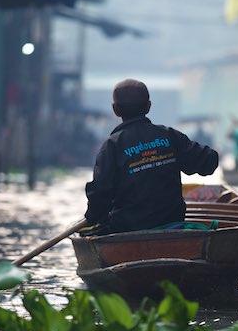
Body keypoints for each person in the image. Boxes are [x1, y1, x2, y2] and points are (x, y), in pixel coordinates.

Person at [83, 78, 219, 234]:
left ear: (116, 110)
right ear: (148, 106)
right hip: (172, 224)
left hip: (127, 229)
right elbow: (210, 161)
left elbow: (100, 195)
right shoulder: (170, 137)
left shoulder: (112, 146)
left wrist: (93, 217)